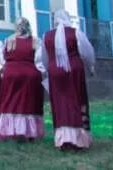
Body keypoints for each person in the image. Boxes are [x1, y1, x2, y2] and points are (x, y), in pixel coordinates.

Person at [43, 10, 96, 151]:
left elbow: (43, 57)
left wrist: (48, 69)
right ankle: (79, 137)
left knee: (60, 103)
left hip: (55, 72)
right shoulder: (76, 33)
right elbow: (87, 51)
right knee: (77, 99)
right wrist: (91, 66)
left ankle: (62, 138)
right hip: (74, 70)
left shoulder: (47, 36)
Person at [0, 17, 46, 142]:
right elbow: (39, 60)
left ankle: (9, 130)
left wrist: (6, 69)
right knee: (28, 103)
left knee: (9, 101)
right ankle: (29, 131)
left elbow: (2, 59)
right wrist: (42, 72)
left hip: (11, 74)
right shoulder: (35, 41)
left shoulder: (8, 40)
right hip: (30, 74)